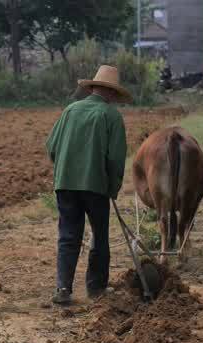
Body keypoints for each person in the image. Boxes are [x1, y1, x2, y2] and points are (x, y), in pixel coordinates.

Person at [46, 65, 130, 306]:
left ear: (93, 87)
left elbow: (52, 147)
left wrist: (65, 170)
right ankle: (96, 289)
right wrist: (112, 187)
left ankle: (63, 288)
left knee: (68, 235)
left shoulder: (71, 110)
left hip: (65, 184)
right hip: (95, 187)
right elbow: (115, 159)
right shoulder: (111, 116)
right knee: (99, 235)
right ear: (112, 93)